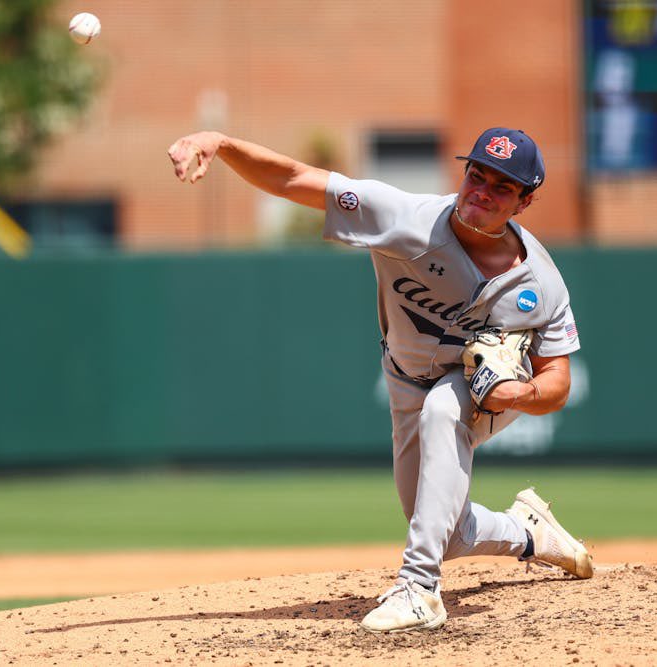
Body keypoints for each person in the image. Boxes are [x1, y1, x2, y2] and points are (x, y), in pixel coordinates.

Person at [168, 127, 592, 634]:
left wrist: (517, 394)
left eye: (501, 187)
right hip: (406, 382)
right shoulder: (403, 219)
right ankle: (528, 534)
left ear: (524, 202)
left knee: (446, 409)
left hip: (481, 389)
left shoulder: (540, 283)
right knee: (443, 528)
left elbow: (558, 383)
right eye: (475, 175)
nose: (481, 190)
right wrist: (220, 142)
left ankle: (420, 590)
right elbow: (295, 178)